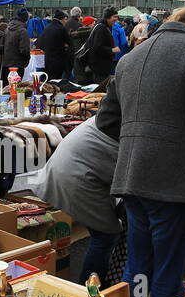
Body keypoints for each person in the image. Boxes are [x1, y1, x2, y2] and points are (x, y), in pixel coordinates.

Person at [96, 2, 185, 297]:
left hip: (134, 178)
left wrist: (139, 141)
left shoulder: (132, 57)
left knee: (140, 264)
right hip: (174, 182)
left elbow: (106, 120)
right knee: (168, 271)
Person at [32, 116, 121, 285]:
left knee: (105, 233)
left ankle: (91, 288)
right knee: (106, 235)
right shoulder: (131, 119)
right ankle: (89, 290)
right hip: (77, 175)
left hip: (73, 170)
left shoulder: (114, 113)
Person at [77, 7, 118, 84]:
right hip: (99, 67)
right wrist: (112, 50)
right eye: (114, 17)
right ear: (108, 17)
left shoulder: (105, 26)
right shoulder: (101, 28)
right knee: (100, 89)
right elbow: (97, 47)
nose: (116, 19)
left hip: (101, 65)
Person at [38, 9, 72, 81]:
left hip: (46, 61)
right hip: (58, 61)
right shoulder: (61, 29)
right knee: (56, 82)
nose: (66, 22)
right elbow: (70, 43)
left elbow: (39, 44)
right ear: (61, 19)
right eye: (65, 19)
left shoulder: (47, 28)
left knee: (47, 81)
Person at [0, 8, 31, 81]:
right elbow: (25, 50)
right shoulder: (23, 31)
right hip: (18, 64)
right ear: (25, 19)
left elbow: (1, 46)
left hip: (6, 63)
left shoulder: (7, 29)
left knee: (8, 88)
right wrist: (27, 59)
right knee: (17, 88)